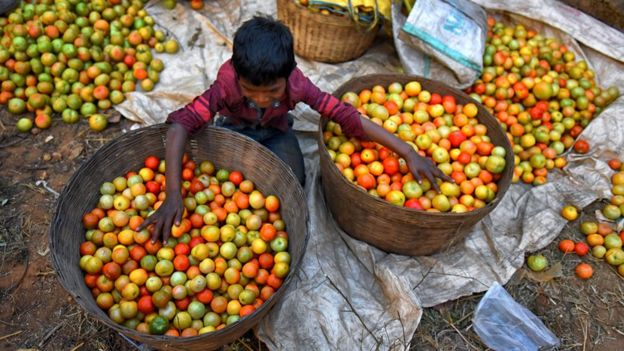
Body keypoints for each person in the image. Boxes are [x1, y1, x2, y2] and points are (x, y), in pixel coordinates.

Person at [139, 16, 450, 242]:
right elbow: (181, 124)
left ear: (288, 76)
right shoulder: (226, 85)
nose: (261, 98)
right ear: (237, 76)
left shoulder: (298, 85)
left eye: (272, 91)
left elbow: (344, 116)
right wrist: (173, 194)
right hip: (234, 129)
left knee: (293, 182)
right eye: (251, 90)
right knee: (224, 185)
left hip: (276, 131)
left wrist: (408, 151)